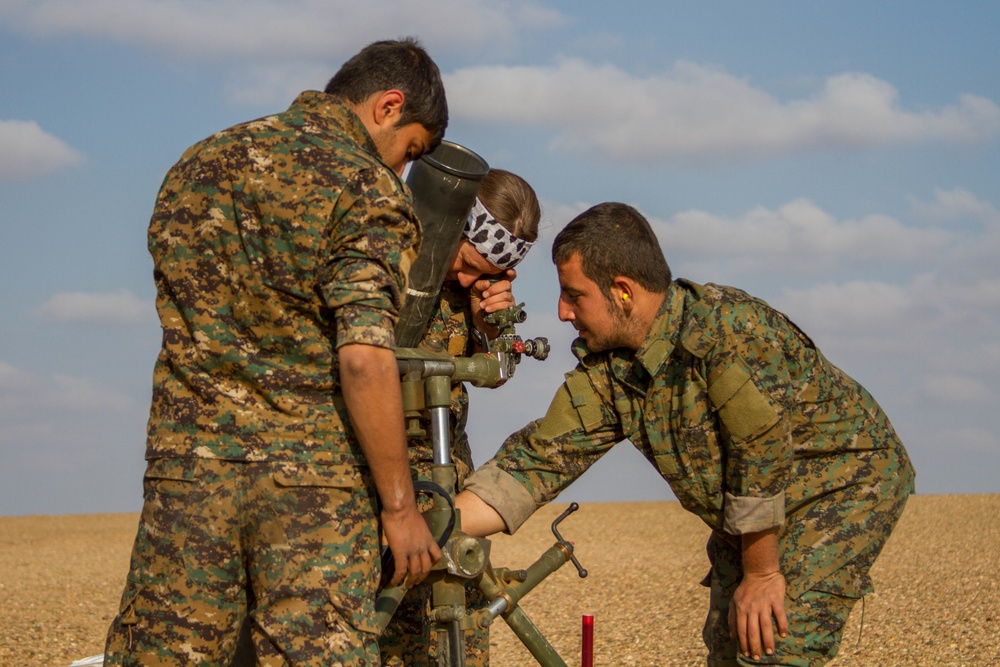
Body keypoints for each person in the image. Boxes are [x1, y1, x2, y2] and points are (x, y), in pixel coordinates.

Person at [104, 38, 448, 667]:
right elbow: (364, 356)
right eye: (412, 152)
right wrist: (400, 508)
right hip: (311, 491)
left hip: (187, 476)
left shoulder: (198, 164)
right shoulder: (366, 188)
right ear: (388, 106)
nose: (403, 171)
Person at [456, 202, 915, 667]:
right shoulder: (613, 370)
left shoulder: (725, 330)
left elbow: (760, 452)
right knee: (726, 643)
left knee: (773, 645)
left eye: (574, 296)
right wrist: (430, 528)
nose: (561, 312)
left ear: (622, 291)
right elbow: (536, 462)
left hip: (840, 486)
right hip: (751, 510)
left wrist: (761, 574)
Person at [379, 169, 541, 667]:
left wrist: (486, 322)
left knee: (456, 619)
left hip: (448, 469)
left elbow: (492, 372)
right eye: (467, 264)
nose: (469, 278)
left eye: (485, 273)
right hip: (378, 466)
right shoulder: (386, 260)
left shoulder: (474, 287)